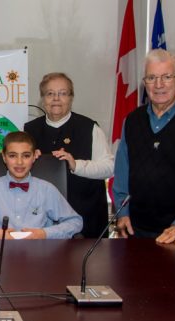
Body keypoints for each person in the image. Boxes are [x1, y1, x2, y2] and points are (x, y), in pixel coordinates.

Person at [113, 49, 175, 249]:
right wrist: (122, 213)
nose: (159, 85)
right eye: (152, 78)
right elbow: (122, 175)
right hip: (137, 232)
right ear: (145, 82)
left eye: (166, 77)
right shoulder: (132, 121)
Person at [24, 72, 114, 238]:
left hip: (86, 219)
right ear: (42, 99)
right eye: (50, 93)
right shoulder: (29, 130)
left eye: (63, 93)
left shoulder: (89, 128)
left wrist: (76, 165)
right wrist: (28, 161)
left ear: (71, 97)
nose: (56, 98)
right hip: (42, 223)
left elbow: (109, 168)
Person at [0, 131, 82, 239]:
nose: (19, 162)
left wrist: (45, 234)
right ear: (4, 157)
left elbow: (75, 222)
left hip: (39, 256)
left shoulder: (47, 190)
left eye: (26, 156)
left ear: (34, 157)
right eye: (12, 156)